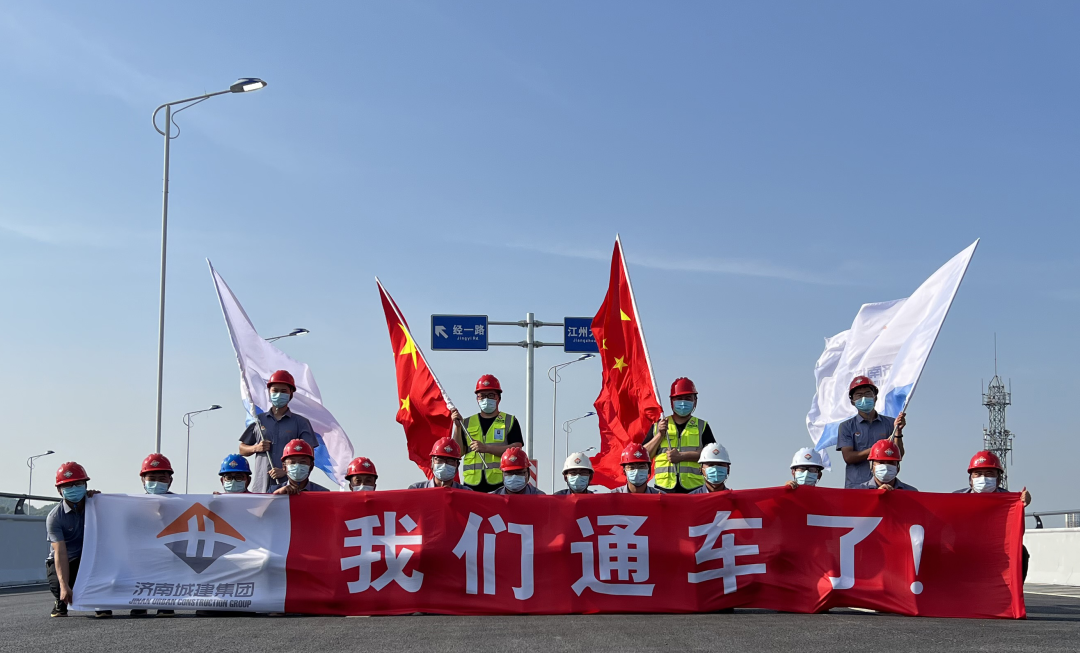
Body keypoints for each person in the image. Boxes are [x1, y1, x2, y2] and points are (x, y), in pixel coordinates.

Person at [238, 370, 319, 494]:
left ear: (291, 394)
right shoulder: (259, 420)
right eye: (275, 390)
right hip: (261, 486)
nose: (279, 394)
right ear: (269, 392)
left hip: (289, 489)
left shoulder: (301, 423)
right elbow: (242, 449)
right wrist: (256, 448)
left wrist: (285, 471)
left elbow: (309, 455)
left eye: (283, 391)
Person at [955, 450, 1032, 579]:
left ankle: (1013, 591)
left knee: (1022, 552)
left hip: (997, 548)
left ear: (998, 479)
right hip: (965, 547)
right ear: (970, 479)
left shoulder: (1009, 500)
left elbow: (1016, 531)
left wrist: (1022, 503)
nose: (983, 478)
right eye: (978, 474)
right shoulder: (957, 498)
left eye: (989, 473)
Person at [46, 462, 109, 618]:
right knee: (60, 587)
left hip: (92, 559)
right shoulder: (55, 517)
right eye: (68, 485)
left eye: (78, 484)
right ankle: (61, 598)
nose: (73, 488)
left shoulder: (96, 505)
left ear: (85, 485)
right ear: (59, 490)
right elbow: (60, 552)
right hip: (67, 560)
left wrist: (102, 500)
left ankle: (100, 601)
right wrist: (63, 585)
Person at [450, 374, 523, 493]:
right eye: (482, 396)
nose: (486, 399)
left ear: (499, 398)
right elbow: (458, 452)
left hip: (499, 483)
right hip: (471, 484)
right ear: (477, 399)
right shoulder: (466, 422)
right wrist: (457, 427)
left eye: (491, 395)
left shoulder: (509, 420)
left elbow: (517, 449)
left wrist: (486, 448)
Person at [643, 378, 716, 494]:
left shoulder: (702, 426)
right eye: (679, 398)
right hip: (662, 489)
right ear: (671, 401)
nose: (683, 402)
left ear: (695, 401)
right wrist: (660, 435)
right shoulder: (659, 426)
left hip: (694, 489)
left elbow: (713, 456)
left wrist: (681, 456)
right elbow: (642, 456)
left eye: (688, 398)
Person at [837, 376, 907, 488]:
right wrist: (877, 449)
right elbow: (848, 457)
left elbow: (898, 455)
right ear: (852, 402)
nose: (864, 398)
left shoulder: (890, 423)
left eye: (868, 393)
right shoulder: (846, 426)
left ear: (875, 397)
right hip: (857, 487)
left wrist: (898, 432)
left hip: (886, 485)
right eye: (859, 395)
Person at [133, 453, 176, 616]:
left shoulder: (182, 504)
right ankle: (139, 602)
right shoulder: (132, 505)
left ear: (170, 480)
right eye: (152, 478)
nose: (157, 482)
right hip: (142, 555)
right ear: (143, 480)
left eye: (162, 478)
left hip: (171, 554)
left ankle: (165, 603)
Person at [409, 437, 473, 489]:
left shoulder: (466, 493)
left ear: (457, 465)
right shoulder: (416, 490)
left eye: (450, 460)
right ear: (432, 463)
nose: (444, 464)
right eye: (440, 459)